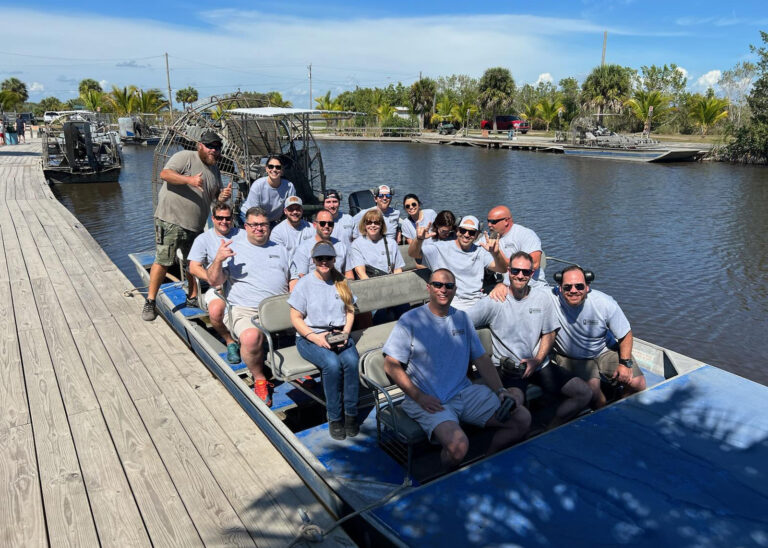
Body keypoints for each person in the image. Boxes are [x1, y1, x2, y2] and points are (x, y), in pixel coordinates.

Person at [383, 269, 531, 469]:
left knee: (522, 418)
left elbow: (481, 358)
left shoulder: (462, 318)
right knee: (458, 447)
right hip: (429, 399)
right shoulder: (410, 320)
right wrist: (419, 397)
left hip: (464, 392)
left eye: (449, 286)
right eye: (438, 285)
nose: (443, 289)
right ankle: (444, 475)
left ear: (455, 290)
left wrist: (500, 391)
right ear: (429, 287)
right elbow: (390, 365)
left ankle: (488, 460)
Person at [468, 252, 592, 428]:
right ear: (509, 271)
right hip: (510, 369)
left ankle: (550, 429)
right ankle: (510, 421)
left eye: (525, 272)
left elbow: (549, 333)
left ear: (532, 274)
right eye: (516, 271)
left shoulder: (542, 298)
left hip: (540, 365)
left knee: (584, 393)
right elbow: (462, 322)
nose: (520, 276)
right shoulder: (494, 301)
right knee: (515, 402)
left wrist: (537, 360)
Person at [142, 131, 233, 321]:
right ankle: (150, 301)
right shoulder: (185, 157)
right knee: (164, 260)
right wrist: (189, 180)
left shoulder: (215, 169)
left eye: (217, 148)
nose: (214, 151)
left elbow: (214, 197)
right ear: (200, 145)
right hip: (171, 219)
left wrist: (222, 196)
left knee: (193, 262)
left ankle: (192, 296)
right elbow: (165, 174)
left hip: (195, 225)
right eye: (210, 147)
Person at [207, 207, 291, 406]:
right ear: (246, 227)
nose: (259, 229)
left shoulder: (280, 248)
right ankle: (260, 378)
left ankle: (295, 366)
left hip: (279, 306)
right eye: (254, 225)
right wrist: (219, 260)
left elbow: (293, 278)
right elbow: (213, 280)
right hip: (246, 310)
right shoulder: (232, 249)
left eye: (263, 224)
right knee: (250, 337)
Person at [289, 241, 360, 440]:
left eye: (328, 258)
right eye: (320, 258)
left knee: (352, 362)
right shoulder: (304, 284)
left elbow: (350, 311)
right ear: (313, 260)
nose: (324, 262)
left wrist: (345, 332)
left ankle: (351, 414)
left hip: (338, 334)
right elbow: (295, 318)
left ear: (334, 260)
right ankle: (335, 417)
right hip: (310, 337)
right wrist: (315, 338)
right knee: (332, 364)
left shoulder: (341, 282)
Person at [550, 265, 646, 408]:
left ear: (587, 287)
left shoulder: (605, 303)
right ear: (559, 287)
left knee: (639, 384)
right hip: (573, 357)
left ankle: (619, 401)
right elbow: (523, 285)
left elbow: (625, 334)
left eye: (579, 286)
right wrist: (502, 287)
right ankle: (603, 411)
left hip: (604, 350)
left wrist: (625, 363)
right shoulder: (550, 298)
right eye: (567, 287)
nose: (573, 291)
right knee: (594, 393)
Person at [409, 215, 507, 310]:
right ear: (457, 231)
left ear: (477, 235)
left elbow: (502, 269)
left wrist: (496, 253)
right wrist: (419, 239)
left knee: (508, 305)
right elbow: (413, 254)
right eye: (463, 230)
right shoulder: (440, 248)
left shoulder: (480, 251)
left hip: (477, 302)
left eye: (471, 232)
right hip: (451, 303)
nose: (466, 235)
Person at [187, 201, 242, 364]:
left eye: (227, 218)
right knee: (215, 311)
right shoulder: (203, 239)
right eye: (220, 218)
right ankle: (230, 341)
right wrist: (211, 279)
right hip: (219, 284)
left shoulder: (243, 234)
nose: (224, 222)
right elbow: (194, 267)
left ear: (232, 218)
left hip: (242, 282)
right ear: (213, 218)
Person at [290, 209, 352, 289]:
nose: (326, 226)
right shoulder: (304, 249)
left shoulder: (341, 246)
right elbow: (302, 278)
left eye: (330, 224)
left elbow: (349, 274)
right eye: (322, 223)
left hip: (339, 289)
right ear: (315, 225)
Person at [486, 206, 545, 285]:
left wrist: (497, 253)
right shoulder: (488, 237)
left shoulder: (526, 234)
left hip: (532, 285)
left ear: (506, 221)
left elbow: (535, 264)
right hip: (504, 286)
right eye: (488, 221)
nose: (489, 224)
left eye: (493, 221)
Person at [348, 208, 404, 280]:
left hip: (390, 282)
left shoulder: (392, 243)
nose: (373, 225)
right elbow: (361, 272)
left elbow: (397, 270)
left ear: (381, 225)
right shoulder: (356, 244)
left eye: (376, 222)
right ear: (364, 225)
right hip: (368, 284)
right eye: (369, 222)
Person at [239, 154, 296, 224]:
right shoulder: (258, 185)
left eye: (278, 167)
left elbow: (290, 208)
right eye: (271, 167)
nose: (274, 170)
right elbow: (254, 213)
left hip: (271, 219)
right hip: (250, 215)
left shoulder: (289, 186)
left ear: (282, 170)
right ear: (266, 169)